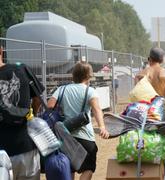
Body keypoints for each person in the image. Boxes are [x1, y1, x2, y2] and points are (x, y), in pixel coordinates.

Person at [48, 62, 109, 180]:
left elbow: (50, 106)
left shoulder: (61, 89)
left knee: (69, 169)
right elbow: (96, 110)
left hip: (66, 137)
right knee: (88, 169)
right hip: (85, 137)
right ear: (88, 76)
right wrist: (102, 127)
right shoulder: (90, 91)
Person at [0, 46, 44, 180]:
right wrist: (33, 116)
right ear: (1, 51)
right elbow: (37, 99)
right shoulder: (22, 69)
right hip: (26, 146)